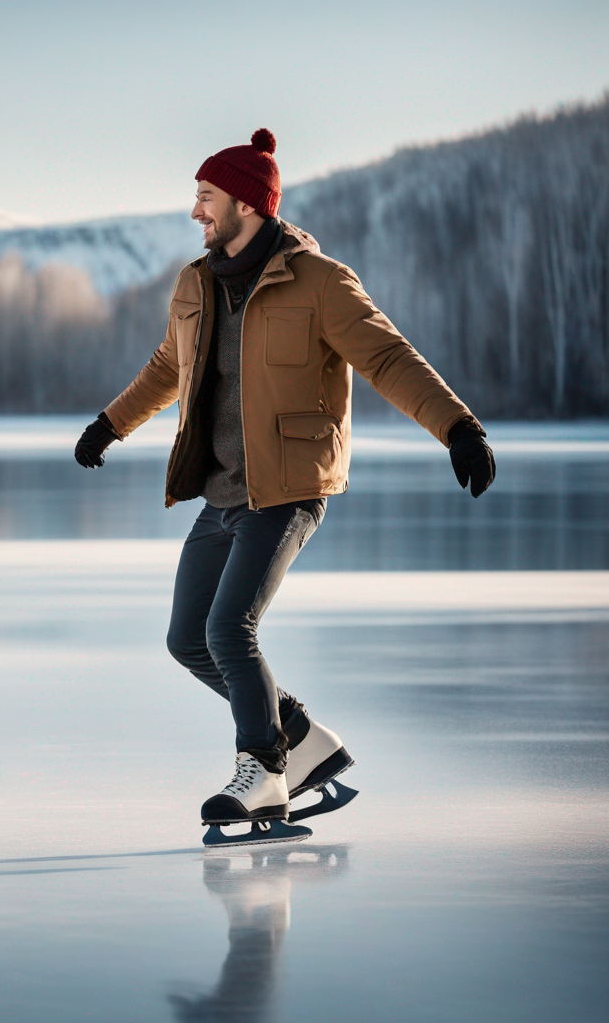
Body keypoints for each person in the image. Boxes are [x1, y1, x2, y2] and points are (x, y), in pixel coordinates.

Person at [74, 129, 496, 829]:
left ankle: (264, 771)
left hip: (290, 487)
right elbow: (167, 368)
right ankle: (301, 739)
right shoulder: (195, 283)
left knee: (229, 630)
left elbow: (388, 357)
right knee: (188, 639)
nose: (195, 213)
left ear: (246, 202)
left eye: (206, 198)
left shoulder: (320, 281)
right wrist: (110, 424)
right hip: (222, 491)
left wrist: (458, 426)